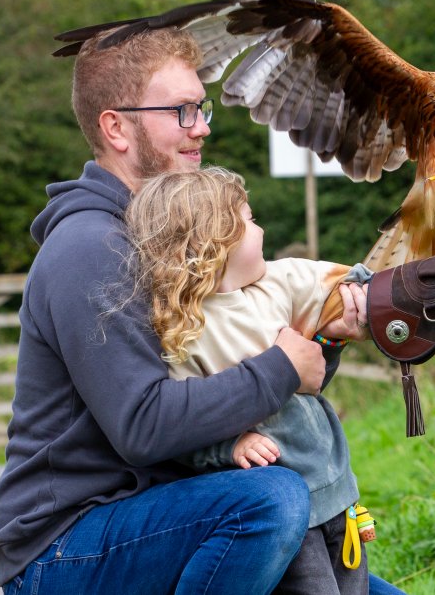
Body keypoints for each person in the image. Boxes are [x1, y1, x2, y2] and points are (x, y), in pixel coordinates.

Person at [0, 25, 405, 594]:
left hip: (173, 509)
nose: (202, 125)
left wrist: (321, 340)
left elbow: (231, 362)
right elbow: (145, 426)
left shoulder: (174, 234)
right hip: (67, 547)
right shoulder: (91, 249)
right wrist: (282, 369)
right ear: (116, 127)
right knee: (270, 502)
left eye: (201, 108)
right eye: (181, 111)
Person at [124, 166, 374, 594]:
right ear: (214, 242)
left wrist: (343, 323)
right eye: (250, 219)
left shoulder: (271, 288)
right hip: (292, 515)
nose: (261, 229)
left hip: (340, 496)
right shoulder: (183, 332)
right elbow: (182, 430)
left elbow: (333, 291)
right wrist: (230, 446)